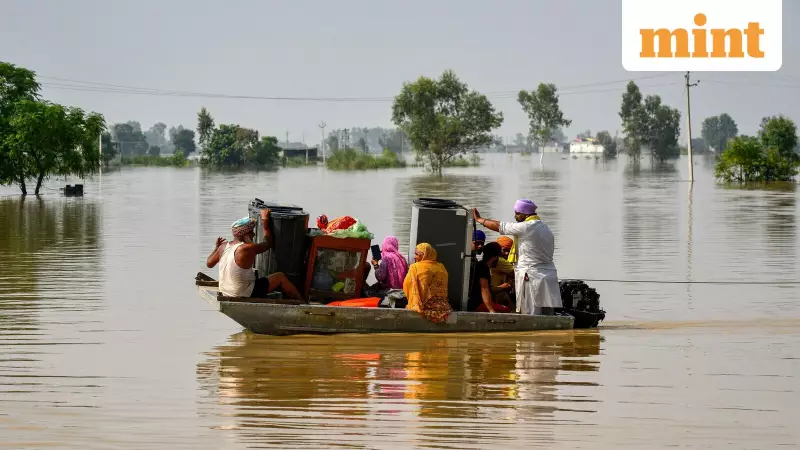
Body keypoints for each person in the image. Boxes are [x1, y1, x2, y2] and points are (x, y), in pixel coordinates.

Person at [472, 199, 562, 315]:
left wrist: (480, 220)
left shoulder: (527, 227)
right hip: (548, 276)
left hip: (531, 276)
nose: (515, 216)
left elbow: (500, 226)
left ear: (525, 213)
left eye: (517, 213)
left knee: (531, 315)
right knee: (549, 316)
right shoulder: (545, 228)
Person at [206, 210, 304, 301]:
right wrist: (265, 221)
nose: (254, 235)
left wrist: (216, 248)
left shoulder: (223, 246)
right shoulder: (246, 248)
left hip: (225, 291)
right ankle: (302, 304)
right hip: (242, 293)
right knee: (280, 277)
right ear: (245, 235)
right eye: (251, 232)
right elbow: (268, 243)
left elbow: (209, 264)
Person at [403, 243, 451, 323]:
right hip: (443, 307)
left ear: (424, 255)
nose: (414, 257)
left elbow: (407, 285)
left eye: (416, 254)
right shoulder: (441, 267)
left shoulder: (415, 267)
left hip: (424, 307)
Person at [468, 242, 511, 313]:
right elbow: (484, 289)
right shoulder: (483, 267)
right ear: (495, 257)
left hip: (476, 301)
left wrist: (501, 288)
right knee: (507, 310)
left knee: (504, 296)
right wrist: (491, 310)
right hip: (477, 304)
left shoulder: (480, 264)